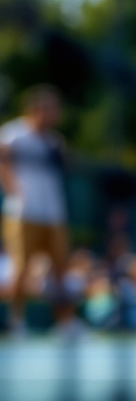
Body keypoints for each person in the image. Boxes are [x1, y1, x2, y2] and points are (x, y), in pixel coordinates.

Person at [0, 85, 69, 337]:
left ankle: (65, 323)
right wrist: (13, 190)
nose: (55, 114)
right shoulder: (13, 134)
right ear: (36, 109)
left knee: (61, 268)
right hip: (23, 212)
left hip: (54, 214)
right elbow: (2, 162)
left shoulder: (54, 140)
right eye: (52, 108)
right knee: (20, 267)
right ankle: (16, 321)